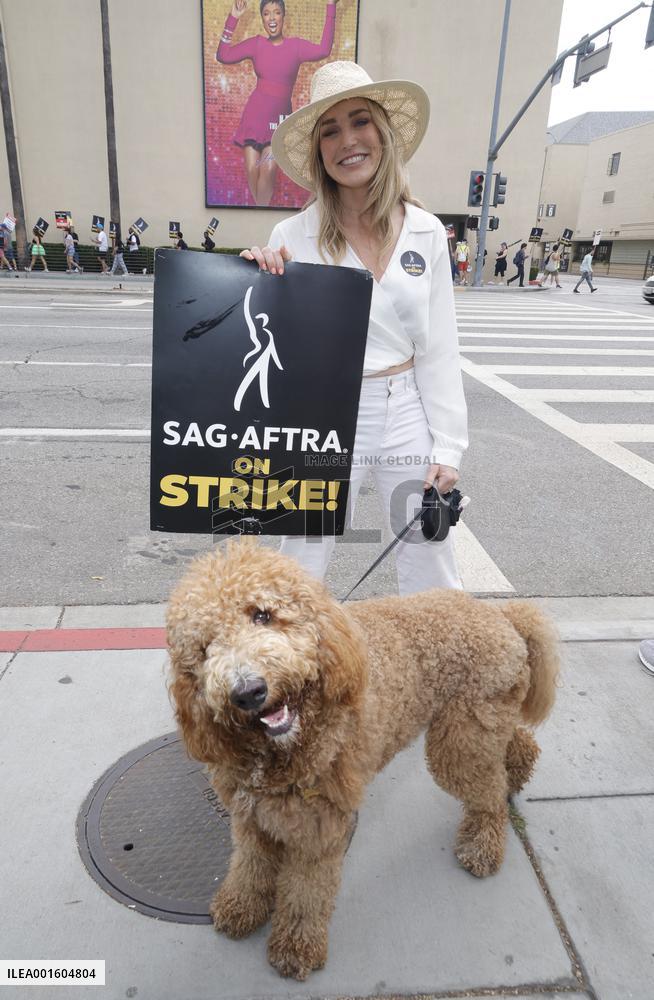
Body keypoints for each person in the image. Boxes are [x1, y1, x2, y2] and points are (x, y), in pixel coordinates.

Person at [242, 61, 468, 594]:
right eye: (330, 129)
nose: (348, 140)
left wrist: (448, 447)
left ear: (383, 133)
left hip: (407, 403)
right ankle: (291, 670)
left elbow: (439, 347)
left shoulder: (426, 231)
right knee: (300, 556)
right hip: (324, 409)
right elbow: (269, 338)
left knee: (428, 551)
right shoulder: (291, 234)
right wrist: (253, 281)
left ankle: (439, 671)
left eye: (360, 121)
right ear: (319, 150)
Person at [216, 0, 339, 206]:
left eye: (276, 12)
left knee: (269, 168)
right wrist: (234, 17)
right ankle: (259, 220)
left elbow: (324, 49)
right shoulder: (256, 44)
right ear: (263, 19)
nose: (272, 18)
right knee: (252, 172)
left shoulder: (296, 46)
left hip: (278, 122)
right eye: (266, 13)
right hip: (254, 119)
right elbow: (223, 55)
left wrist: (330, 6)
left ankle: (261, 219)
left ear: (283, 16)